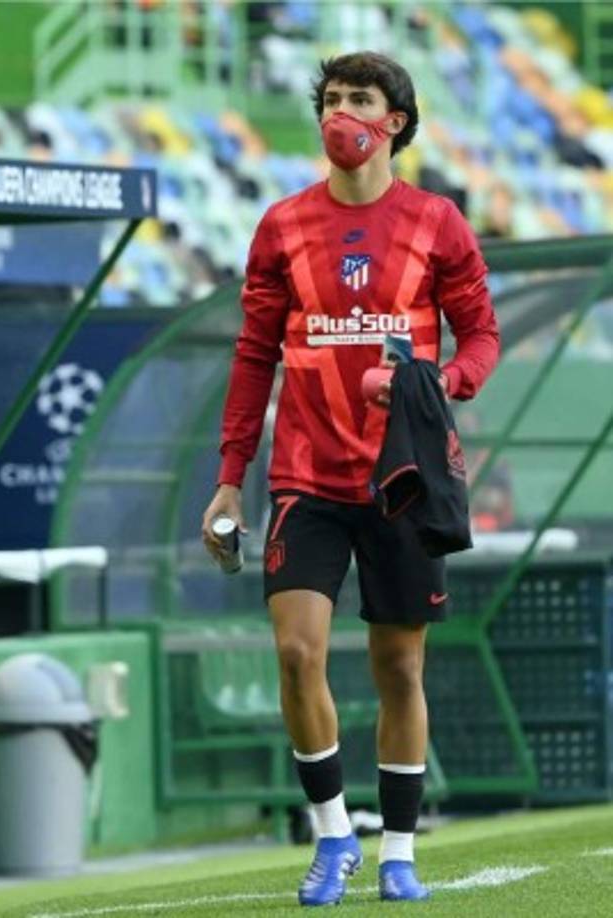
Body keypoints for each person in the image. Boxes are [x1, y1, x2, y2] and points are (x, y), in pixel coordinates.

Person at [202, 51, 500, 906]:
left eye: (359, 99)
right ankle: (334, 836)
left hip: (403, 477)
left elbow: (481, 335)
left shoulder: (438, 222)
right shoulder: (282, 226)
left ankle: (399, 851)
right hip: (306, 477)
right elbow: (254, 355)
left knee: (398, 668)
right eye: (331, 98)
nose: (341, 114)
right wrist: (230, 477)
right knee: (297, 653)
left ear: (394, 121)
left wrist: (442, 381)